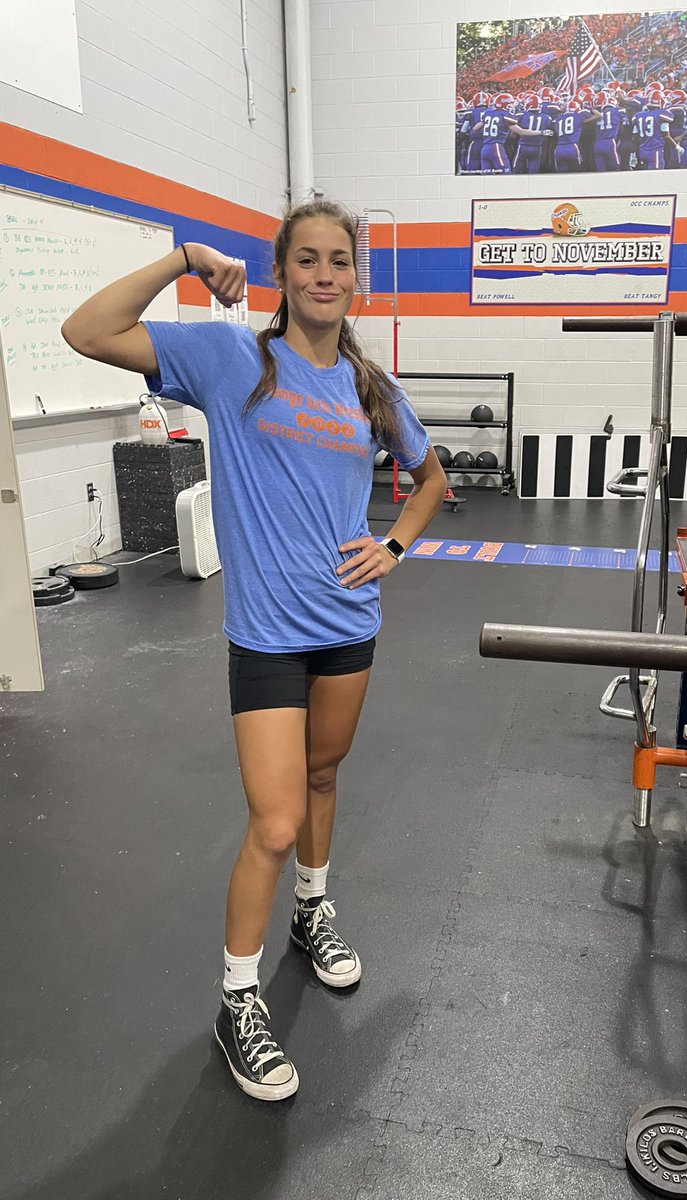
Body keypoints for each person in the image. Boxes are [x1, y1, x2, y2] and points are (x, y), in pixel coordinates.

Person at [61, 199, 448, 1101]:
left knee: (321, 781)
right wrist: (184, 258)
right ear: (282, 272)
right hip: (268, 637)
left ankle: (314, 913)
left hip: (349, 628)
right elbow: (88, 331)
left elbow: (428, 481)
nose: (324, 274)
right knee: (272, 822)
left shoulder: (370, 389)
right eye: (306, 259)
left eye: (339, 261)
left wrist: (392, 546)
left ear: (357, 276)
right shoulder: (233, 358)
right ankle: (237, 1001)